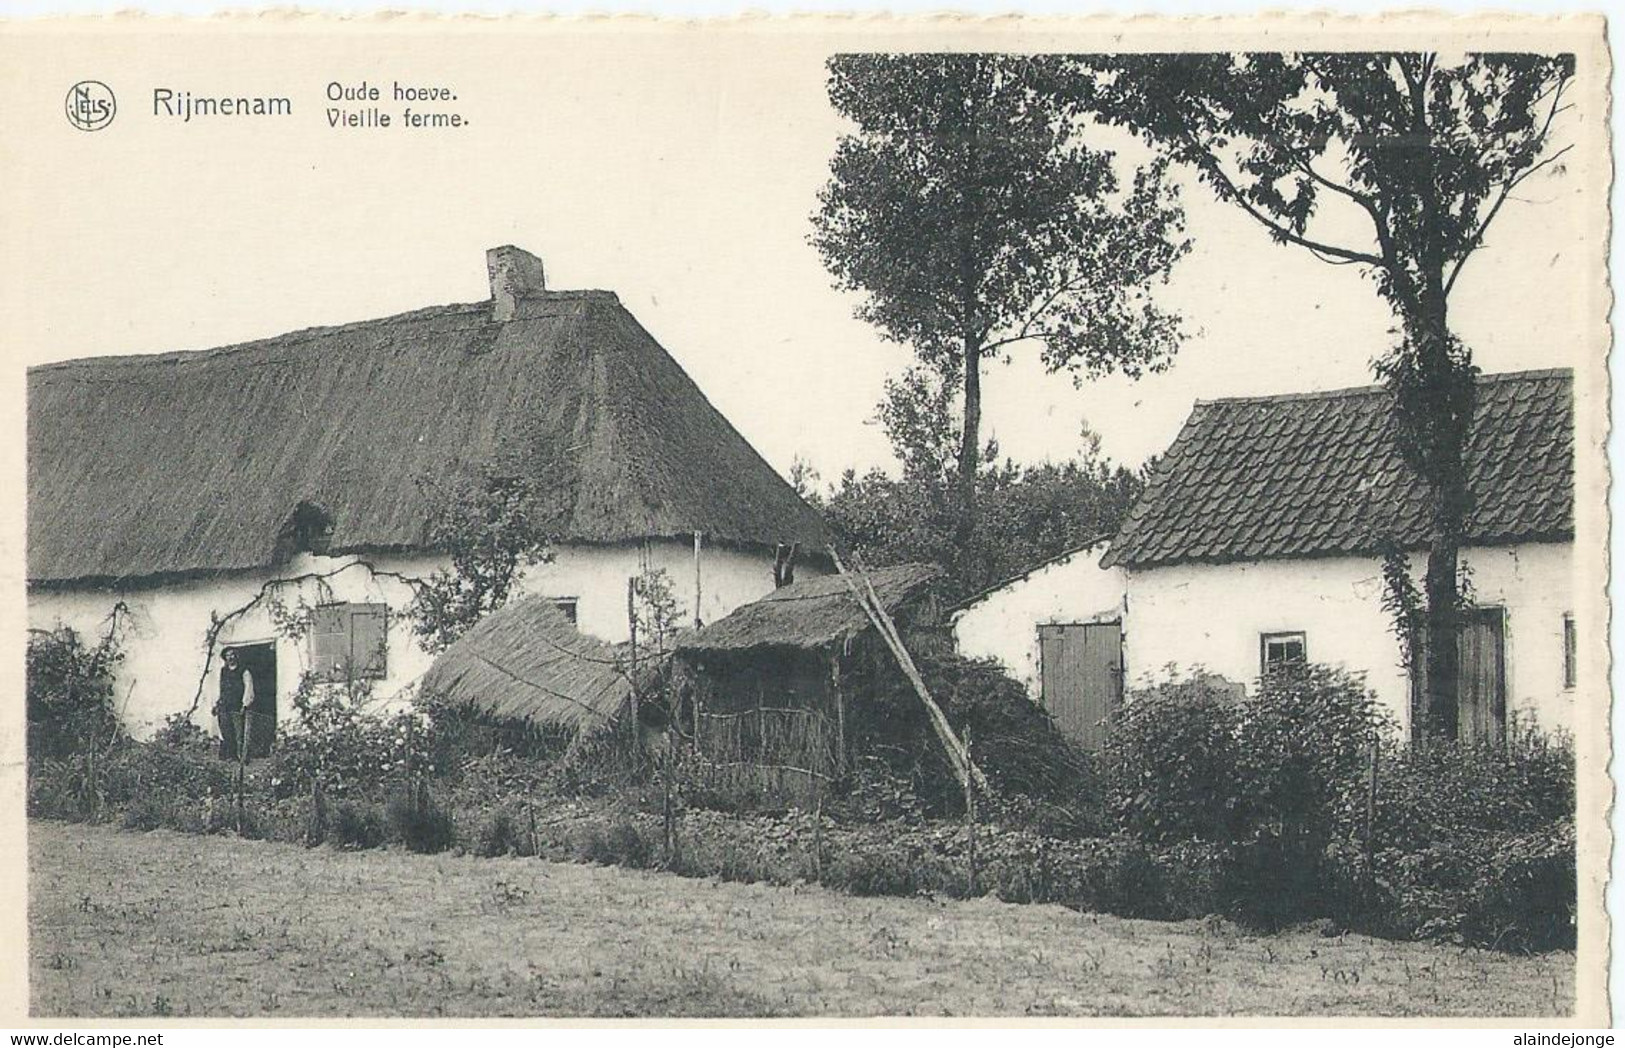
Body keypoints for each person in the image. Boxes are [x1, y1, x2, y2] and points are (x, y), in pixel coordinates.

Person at [212, 648, 257, 762]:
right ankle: (230, 755)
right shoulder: (223, 671)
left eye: (232, 655)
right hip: (225, 705)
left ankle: (242, 756)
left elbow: (248, 688)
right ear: (225, 658)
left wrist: (245, 704)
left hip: (237, 705)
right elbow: (221, 688)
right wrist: (217, 703)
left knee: (239, 733)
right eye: (228, 656)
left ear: (236, 656)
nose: (230, 657)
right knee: (226, 731)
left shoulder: (244, 671)